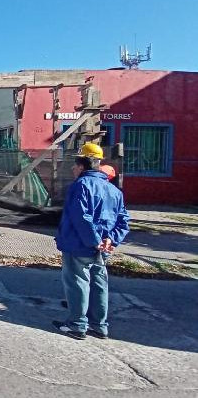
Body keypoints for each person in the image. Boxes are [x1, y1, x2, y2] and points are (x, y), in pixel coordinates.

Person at [53, 142, 130, 340]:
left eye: (75, 165)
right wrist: (110, 241)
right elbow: (123, 220)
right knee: (99, 284)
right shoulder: (114, 191)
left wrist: (94, 240)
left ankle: (77, 325)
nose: (72, 168)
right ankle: (99, 325)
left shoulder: (81, 186)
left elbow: (81, 216)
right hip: (102, 248)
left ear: (82, 166)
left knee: (77, 282)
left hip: (79, 245)